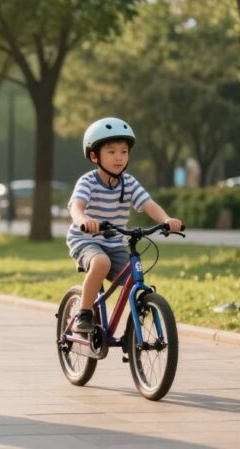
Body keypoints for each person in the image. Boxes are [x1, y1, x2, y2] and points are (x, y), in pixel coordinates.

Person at [67, 117, 183, 333]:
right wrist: (83, 221)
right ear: (94, 156)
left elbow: (148, 204)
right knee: (101, 263)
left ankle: (134, 328)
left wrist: (166, 220)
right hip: (85, 239)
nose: (119, 157)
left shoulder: (128, 182)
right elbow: (76, 207)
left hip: (114, 241)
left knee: (134, 277)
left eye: (123, 151)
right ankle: (84, 313)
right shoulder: (88, 182)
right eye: (111, 152)